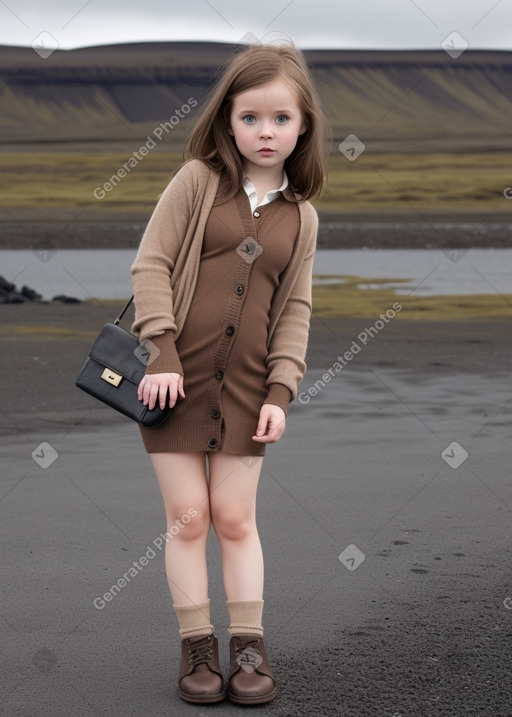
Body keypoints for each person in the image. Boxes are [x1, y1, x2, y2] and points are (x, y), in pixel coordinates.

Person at [130, 42, 326, 706]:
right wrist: (159, 353)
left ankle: (249, 648)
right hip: (172, 384)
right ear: (227, 120)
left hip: (247, 391)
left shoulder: (302, 216)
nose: (265, 132)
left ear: (303, 126)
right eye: (250, 118)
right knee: (188, 519)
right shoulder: (196, 181)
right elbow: (150, 264)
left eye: (280, 119)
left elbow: (295, 306)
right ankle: (197, 649)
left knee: (235, 517)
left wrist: (282, 389)